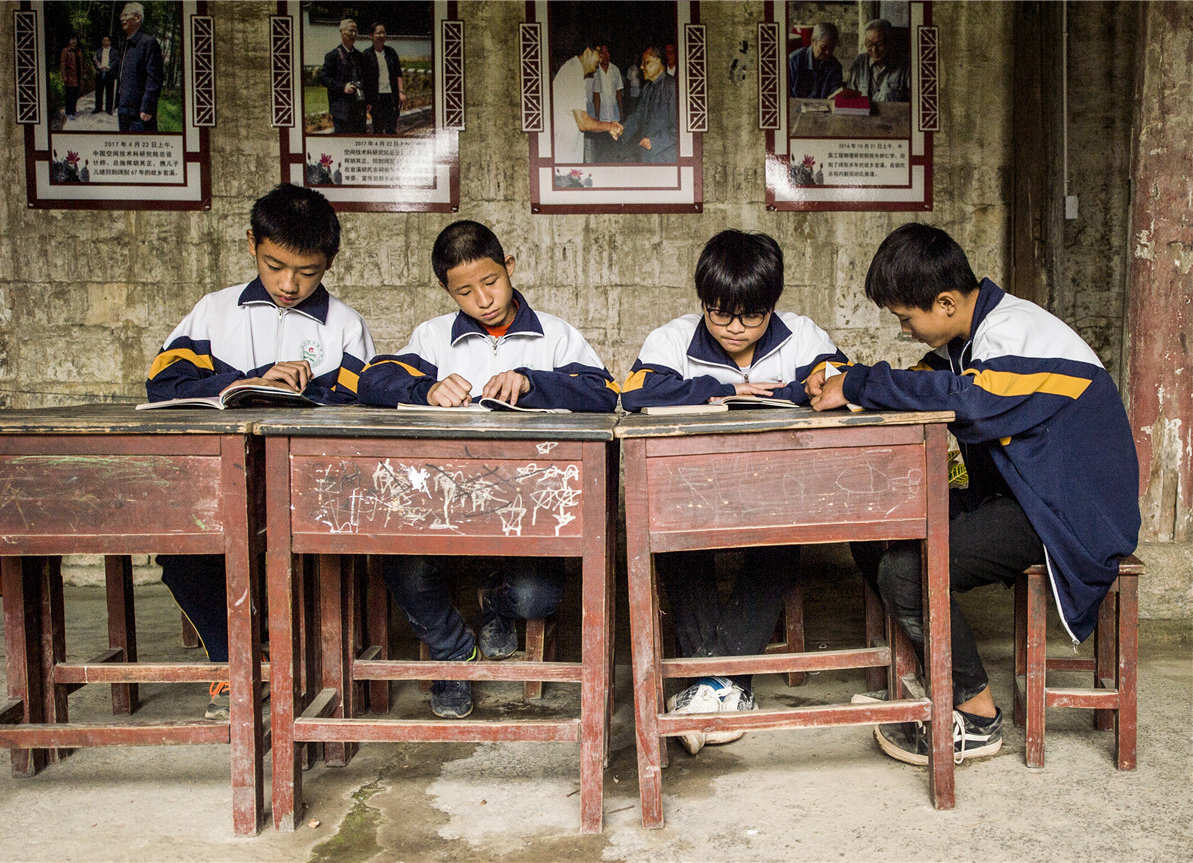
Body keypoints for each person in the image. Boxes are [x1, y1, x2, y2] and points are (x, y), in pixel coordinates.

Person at [808, 223, 1140, 764]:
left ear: (944, 301)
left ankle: (976, 715)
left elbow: (973, 402)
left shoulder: (1016, 331)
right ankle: (929, 676)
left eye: (906, 318)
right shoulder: (967, 337)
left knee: (907, 569)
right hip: (1024, 495)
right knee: (874, 532)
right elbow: (916, 381)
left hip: (1066, 514)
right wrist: (839, 376)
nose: (906, 329)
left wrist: (862, 384)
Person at [356, 220, 619, 719]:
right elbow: (374, 381)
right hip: (442, 507)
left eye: (492, 282)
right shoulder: (432, 338)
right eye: (465, 291)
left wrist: (530, 381)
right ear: (446, 290)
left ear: (510, 268)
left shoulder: (555, 336)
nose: (483, 299)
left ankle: (495, 602)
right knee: (401, 565)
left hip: (531, 511)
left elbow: (605, 392)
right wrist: (423, 390)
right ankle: (454, 655)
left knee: (536, 595)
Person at [145, 184, 376, 720]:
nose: (289, 284)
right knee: (184, 554)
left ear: (330, 264)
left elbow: (365, 405)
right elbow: (163, 381)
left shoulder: (343, 324)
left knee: (303, 557)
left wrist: (311, 388)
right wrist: (250, 379)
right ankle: (237, 664)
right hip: (220, 486)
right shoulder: (214, 311)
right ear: (252, 244)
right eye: (275, 266)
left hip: (307, 491)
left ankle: (297, 660)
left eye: (309, 272)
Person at [621, 229, 850, 755]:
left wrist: (808, 388)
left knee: (784, 533)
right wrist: (722, 390)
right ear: (704, 302)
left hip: (782, 493)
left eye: (751, 316)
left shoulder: (804, 336)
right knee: (671, 534)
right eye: (720, 314)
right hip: (694, 492)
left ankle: (707, 687)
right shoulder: (673, 339)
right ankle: (727, 686)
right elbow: (634, 393)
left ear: (772, 306)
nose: (734, 329)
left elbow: (841, 382)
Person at [551, 39, 623, 164]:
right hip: (563, 153)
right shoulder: (572, 73)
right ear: (587, 51)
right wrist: (609, 127)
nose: (600, 60)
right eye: (598, 54)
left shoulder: (574, 70)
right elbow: (583, 123)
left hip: (566, 150)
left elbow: (581, 116)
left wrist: (609, 123)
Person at [619, 43, 678, 164]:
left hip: (665, 155)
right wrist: (621, 129)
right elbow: (638, 115)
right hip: (647, 154)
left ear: (658, 61)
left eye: (646, 62)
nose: (641, 67)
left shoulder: (672, 86)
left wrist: (655, 141)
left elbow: (679, 127)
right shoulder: (647, 87)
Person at [117, 2, 163, 132]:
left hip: (140, 114)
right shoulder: (126, 43)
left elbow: (155, 77)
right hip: (124, 110)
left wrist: (147, 107)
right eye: (121, 15)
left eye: (126, 15)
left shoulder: (148, 43)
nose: (122, 18)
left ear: (137, 18)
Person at [844, 19, 910, 103]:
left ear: (890, 42)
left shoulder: (905, 65)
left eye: (879, 44)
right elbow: (850, 96)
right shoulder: (859, 62)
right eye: (869, 44)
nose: (874, 50)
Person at [321, 18, 366, 134]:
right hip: (341, 109)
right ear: (342, 32)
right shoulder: (332, 56)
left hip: (359, 108)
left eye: (356, 31)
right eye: (351, 31)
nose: (354, 34)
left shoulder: (360, 56)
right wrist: (342, 87)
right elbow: (324, 78)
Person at [363, 22, 403, 135]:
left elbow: (398, 73)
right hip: (376, 97)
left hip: (391, 96)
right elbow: (364, 79)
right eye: (378, 33)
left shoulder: (391, 52)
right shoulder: (366, 54)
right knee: (378, 128)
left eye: (383, 33)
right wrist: (367, 100)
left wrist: (401, 91)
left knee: (391, 127)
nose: (381, 36)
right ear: (371, 35)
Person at [787, 22, 843, 99]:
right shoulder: (794, 61)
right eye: (823, 48)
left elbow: (834, 96)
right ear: (813, 41)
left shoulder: (835, 67)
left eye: (831, 48)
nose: (827, 52)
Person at [591, 45, 624, 162]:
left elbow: (618, 92)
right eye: (602, 54)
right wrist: (596, 115)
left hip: (614, 113)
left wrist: (621, 111)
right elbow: (596, 94)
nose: (605, 56)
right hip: (602, 115)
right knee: (602, 146)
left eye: (607, 53)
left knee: (615, 142)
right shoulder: (595, 71)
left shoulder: (615, 70)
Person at [93, 35, 120, 115]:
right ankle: (98, 108)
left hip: (109, 73)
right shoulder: (98, 51)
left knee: (109, 92)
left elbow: (116, 61)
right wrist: (98, 67)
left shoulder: (114, 52)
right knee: (98, 91)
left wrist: (109, 67)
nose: (105, 42)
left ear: (110, 42)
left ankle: (109, 109)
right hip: (100, 73)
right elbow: (95, 60)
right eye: (103, 40)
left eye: (107, 40)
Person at [61, 37, 83, 119]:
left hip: (77, 75)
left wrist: (83, 74)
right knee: (69, 95)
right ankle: (68, 112)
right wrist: (64, 76)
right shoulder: (65, 51)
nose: (74, 44)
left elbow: (81, 63)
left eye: (75, 43)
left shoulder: (79, 51)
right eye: (72, 43)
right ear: (70, 43)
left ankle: (73, 110)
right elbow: (63, 65)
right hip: (69, 76)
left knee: (75, 95)